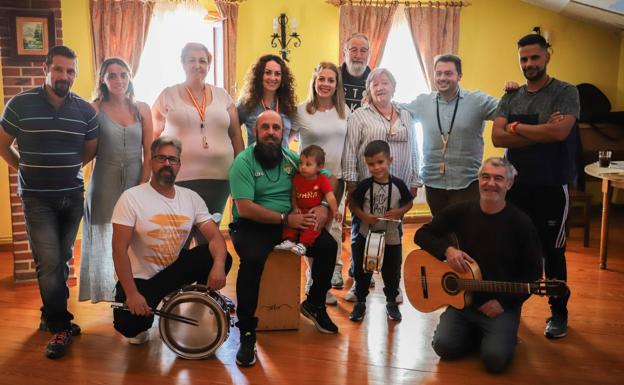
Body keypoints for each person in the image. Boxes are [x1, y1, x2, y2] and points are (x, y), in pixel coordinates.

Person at [0, 46, 98, 359]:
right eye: (59, 69)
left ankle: (50, 314)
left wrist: (65, 169)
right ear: (46, 68)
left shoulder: (85, 110)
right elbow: (3, 145)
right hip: (36, 197)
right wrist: (24, 168)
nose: (65, 76)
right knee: (50, 261)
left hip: (72, 195)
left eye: (70, 71)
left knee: (62, 258)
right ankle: (60, 325)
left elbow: (89, 150)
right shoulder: (20, 104)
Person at [228, 110, 339, 367]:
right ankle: (246, 332)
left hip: (292, 221)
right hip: (254, 223)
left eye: (276, 128)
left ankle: (314, 303)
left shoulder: (292, 159)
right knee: (252, 259)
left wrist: (323, 205)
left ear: (284, 134)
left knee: (328, 246)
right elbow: (244, 208)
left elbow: (326, 177)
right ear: (256, 132)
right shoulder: (242, 163)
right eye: (265, 127)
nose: (271, 132)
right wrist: (284, 219)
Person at [414, 157, 543, 373]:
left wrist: (504, 303)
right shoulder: (462, 211)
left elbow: (533, 273)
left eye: (498, 178)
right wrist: (447, 250)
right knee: (443, 347)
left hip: (500, 305)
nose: (490, 183)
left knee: (495, 360)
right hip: (463, 301)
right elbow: (422, 234)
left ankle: (493, 334)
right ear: (478, 179)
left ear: (509, 184)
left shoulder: (521, 223)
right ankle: (480, 333)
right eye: (485, 177)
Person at [492, 33, 578, 339]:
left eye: (534, 58)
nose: (529, 64)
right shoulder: (511, 96)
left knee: (553, 253)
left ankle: (558, 312)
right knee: (513, 250)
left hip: (552, 187)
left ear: (547, 56)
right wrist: (541, 129)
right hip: (516, 187)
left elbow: (560, 134)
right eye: (523, 59)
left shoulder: (566, 92)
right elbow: (497, 138)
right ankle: (511, 308)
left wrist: (517, 127)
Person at [111, 136, 232, 344]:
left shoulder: (191, 198)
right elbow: (118, 249)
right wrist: (132, 294)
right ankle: (149, 304)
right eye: (161, 158)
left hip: (173, 271)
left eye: (172, 159)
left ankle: (198, 304)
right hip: (141, 279)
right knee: (129, 327)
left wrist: (219, 265)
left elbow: (215, 237)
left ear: (179, 165)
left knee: (220, 257)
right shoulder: (131, 198)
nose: (167, 163)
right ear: (151, 162)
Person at [152, 42, 243, 245]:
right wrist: (152, 173)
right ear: (183, 64)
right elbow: (153, 137)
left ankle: (204, 277)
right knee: (178, 238)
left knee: (208, 237)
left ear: (209, 65)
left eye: (202, 61)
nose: (197, 65)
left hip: (219, 180)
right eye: (192, 60)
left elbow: (236, 136)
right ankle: (180, 277)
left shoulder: (223, 96)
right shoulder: (168, 94)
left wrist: (241, 173)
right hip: (178, 178)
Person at [342, 67, 420, 302]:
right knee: (362, 237)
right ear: (369, 89)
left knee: (393, 238)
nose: (380, 87)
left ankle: (392, 287)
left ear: (393, 87)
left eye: (385, 83)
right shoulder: (359, 116)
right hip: (367, 188)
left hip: (398, 188)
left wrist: (415, 179)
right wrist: (351, 182)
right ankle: (359, 284)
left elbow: (414, 149)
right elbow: (350, 150)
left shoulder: (406, 115)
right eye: (374, 84)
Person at [79, 57, 153, 303]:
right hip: (104, 181)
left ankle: (136, 292)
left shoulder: (142, 108)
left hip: (136, 179)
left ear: (129, 77)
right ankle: (111, 294)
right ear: (103, 79)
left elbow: (149, 151)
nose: (118, 80)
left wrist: (143, 186)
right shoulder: (94, 108)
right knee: (106, 236)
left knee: (134, 239)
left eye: (123, 74)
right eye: (112, 75)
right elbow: (86, 149)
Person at [402, 54, 498, 215]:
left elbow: (506, 110)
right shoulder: (423, 102)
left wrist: (513, 91)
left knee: (465, 232)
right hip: (433, 183)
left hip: (467, 183)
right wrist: (373, 98)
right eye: (438, 73)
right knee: (440, 231)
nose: (442, 78)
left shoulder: (477, 101)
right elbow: (397, 110)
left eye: (448, 73)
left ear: (459, 75)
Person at [289, 61, 350, 301]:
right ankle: (313, 280)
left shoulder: (345, 112)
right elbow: (288, 142)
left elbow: (349, 146)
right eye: (321, 79)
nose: (325, 84)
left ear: (337, 85)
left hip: (336, 180)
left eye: (330, 80)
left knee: (333, 230)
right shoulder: (301, 111)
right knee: (312, 227)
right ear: (314, 82)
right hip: (309, 183)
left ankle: (324, 281)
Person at [348, 140, 413, 322]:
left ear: (389, 160)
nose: (376, 168)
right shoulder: (364, 185)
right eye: (371, 164)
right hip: (365, 235)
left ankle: (391, 302)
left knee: (391, 271)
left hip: (391, 237)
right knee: (363, 271)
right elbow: (352, 204)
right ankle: (360, 303)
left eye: (380, 162)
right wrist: (364, 216)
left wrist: (399, 212)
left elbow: (409, 202)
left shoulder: (399, 185)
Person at [275, 145, 341, 256]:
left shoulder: (322, 180)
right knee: (290, 225)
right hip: (300, 210)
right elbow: (294, 196)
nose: (303, 167)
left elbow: (330, 196)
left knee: (313, 228)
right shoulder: (296, 178)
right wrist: (295, 208)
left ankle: (303, 245)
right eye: (301, 163)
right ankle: (290, 241)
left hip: (313, 213)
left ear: (319, 167)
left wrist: (335, 211)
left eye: (308, 164)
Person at [237, 54, 297, 147]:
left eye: (277, 74)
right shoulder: (246, 104)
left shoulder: (288, 105)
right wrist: (240, 155)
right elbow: (233, 133)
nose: (273, 78)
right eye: (268, 72)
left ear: (282, 78)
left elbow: (290, 136)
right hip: (254, 161)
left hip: (283, 161)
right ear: (259, 75)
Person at [342, 33, 372, 112]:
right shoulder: (332, 78)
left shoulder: (375, 82)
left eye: (363, 50)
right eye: (353, 50)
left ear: (369, 55)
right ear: (344, 54)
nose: (358, 56)